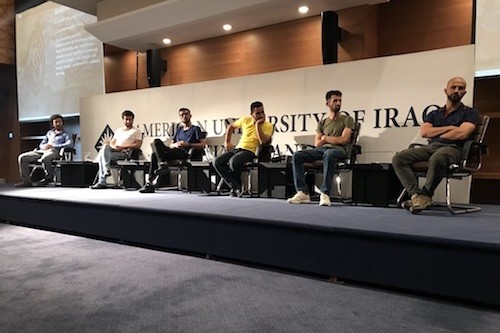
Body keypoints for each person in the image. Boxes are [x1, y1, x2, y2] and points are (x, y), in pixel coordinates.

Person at [392, 76, 480, 213]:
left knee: (438, 157)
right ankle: (417, 195)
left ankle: (426, 194)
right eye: (453, 87)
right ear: (446, 90)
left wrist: (437, 133)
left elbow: (462, 134)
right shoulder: (434, 114)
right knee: (399, 158)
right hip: (431, 147)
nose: (457, 90)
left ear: (465, 93)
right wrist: (450, 127)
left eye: (461, 88)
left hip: (453, 148)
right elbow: (425, 132)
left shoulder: (470, 113)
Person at [287, 90, 354, 207]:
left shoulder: (347, 119)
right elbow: (317, 143)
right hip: (322, 150)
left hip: (338, 150)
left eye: (340, 100)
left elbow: (344, 139)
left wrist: (325, 137)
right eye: (335, 100)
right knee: (297, 155)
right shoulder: (323, 122)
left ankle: (325, 193)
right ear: (327, 103)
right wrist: (329, 139)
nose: (338, 103)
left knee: (329, 154)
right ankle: (303, 192)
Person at [213, 101, 274, 197]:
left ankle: (233, 187)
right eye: (257, 113)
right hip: (238, 149)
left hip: (251, 151)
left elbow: (263, 141)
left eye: (262, 112)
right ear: (251, 114)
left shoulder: (268, 126)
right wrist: (227, 142)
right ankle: (235, 186)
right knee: (217, 161)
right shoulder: (246, 120)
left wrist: (257, 125)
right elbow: (231, 126)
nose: (261, 115)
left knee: (234, 161)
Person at [139, 107, 206, 193]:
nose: (184, 116)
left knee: (154, 155)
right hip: (174, 150)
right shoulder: (179, 130)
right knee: (156, 142)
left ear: (190, 115)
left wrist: (187, 144)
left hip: (184, 152)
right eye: (182, 115)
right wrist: (176, 144)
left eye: (186, 114)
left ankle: (154, 177)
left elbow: (203, 144)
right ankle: (157, 172)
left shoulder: (195, 129)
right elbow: (171, 144)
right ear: (179, 117)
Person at [15, 114, 73, 187]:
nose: (58, 123)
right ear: (53, 124)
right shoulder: (49, 133)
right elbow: (41, 143)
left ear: (62, 122)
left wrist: (53, 146)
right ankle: (26, 181)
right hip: (42, 151)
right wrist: (44, 146)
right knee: (22, 157)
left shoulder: (66, 134)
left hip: (55, 151)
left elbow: (69, 144)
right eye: (56, 122)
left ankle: (49, 178)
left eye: (59, 122)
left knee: (45, 158)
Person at [91, 110, 143, 189]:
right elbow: (112, 142)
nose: (128, 121)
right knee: (105, 147)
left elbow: (138, 145)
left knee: (102, 155)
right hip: (115, 151)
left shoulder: (136, 131)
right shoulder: (119, 130)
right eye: (126, 119)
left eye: (130, 119)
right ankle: (106, 171)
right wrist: (115, 147)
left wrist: (122, 147)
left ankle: (102, 180)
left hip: (126, 153)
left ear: (133, 119)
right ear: (123, 120)